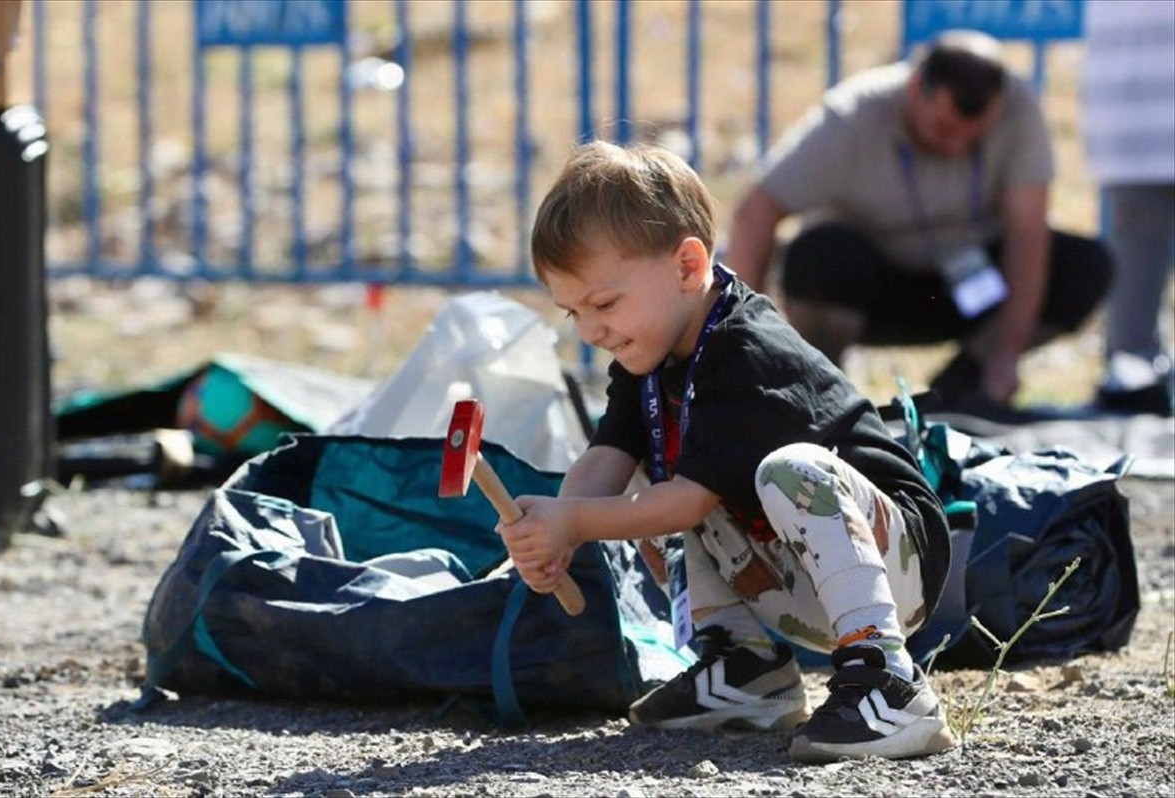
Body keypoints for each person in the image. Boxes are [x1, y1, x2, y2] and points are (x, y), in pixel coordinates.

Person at [500, 140, 956, 763]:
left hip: (892, 560)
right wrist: (556, 529)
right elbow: (609, 453)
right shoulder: (649, 353)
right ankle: (746, 669)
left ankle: (891, 683)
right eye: (572, 313)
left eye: (603, 304)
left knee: (783, 473)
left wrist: (576, 522)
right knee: (648, 474)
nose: (590, 331)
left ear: (688, 265)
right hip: (792, 573)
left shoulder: (747, 352)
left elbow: (685, 505)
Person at [726, 30, 1112, 419]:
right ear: (915, 89)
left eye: (973, 137)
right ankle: (813, 389)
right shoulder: (855, 114)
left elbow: (1028, 234)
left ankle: (966, 389)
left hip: (970, 288)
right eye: (944, 129)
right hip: (872, 289)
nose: (956, 146)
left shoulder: (1017, 106)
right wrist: (757, 346)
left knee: (1082, 266)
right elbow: (755, 212)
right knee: (818, 257)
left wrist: (1006, 352)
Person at [1082, 0, 1175, 418]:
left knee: (1135, 250)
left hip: (1130, 109)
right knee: (1136, 254)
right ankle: (1135, 374)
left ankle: (1134, 368)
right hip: (1136, 112)